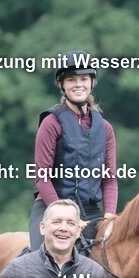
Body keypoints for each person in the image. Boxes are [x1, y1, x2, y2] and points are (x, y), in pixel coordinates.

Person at [30, 49, 118, 251]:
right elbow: (42, 178)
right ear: (61, 84)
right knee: (43, 264)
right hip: (51, 208)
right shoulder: (51, 123)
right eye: (71, 79)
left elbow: (110, 179)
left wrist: (110, 215)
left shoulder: (105, 128)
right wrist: (63, 215)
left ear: (92, 82)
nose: (78, 84)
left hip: (91, 211)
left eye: (84, 79)